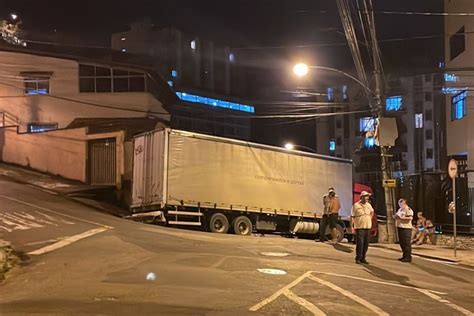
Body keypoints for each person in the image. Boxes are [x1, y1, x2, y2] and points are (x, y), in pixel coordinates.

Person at [351, 191, 374, 264]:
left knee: (366, 243)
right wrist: (352, 227)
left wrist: (370, 217)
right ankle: (358, 258)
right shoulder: (356, 205)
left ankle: (363, 258)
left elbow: (372, 212)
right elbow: (352, 216)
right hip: (360, 227)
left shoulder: (369, 205)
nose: (367, 198)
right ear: (361, 197)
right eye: (366, 196)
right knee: (360, 243)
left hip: (368, 226)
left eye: (368, 196)